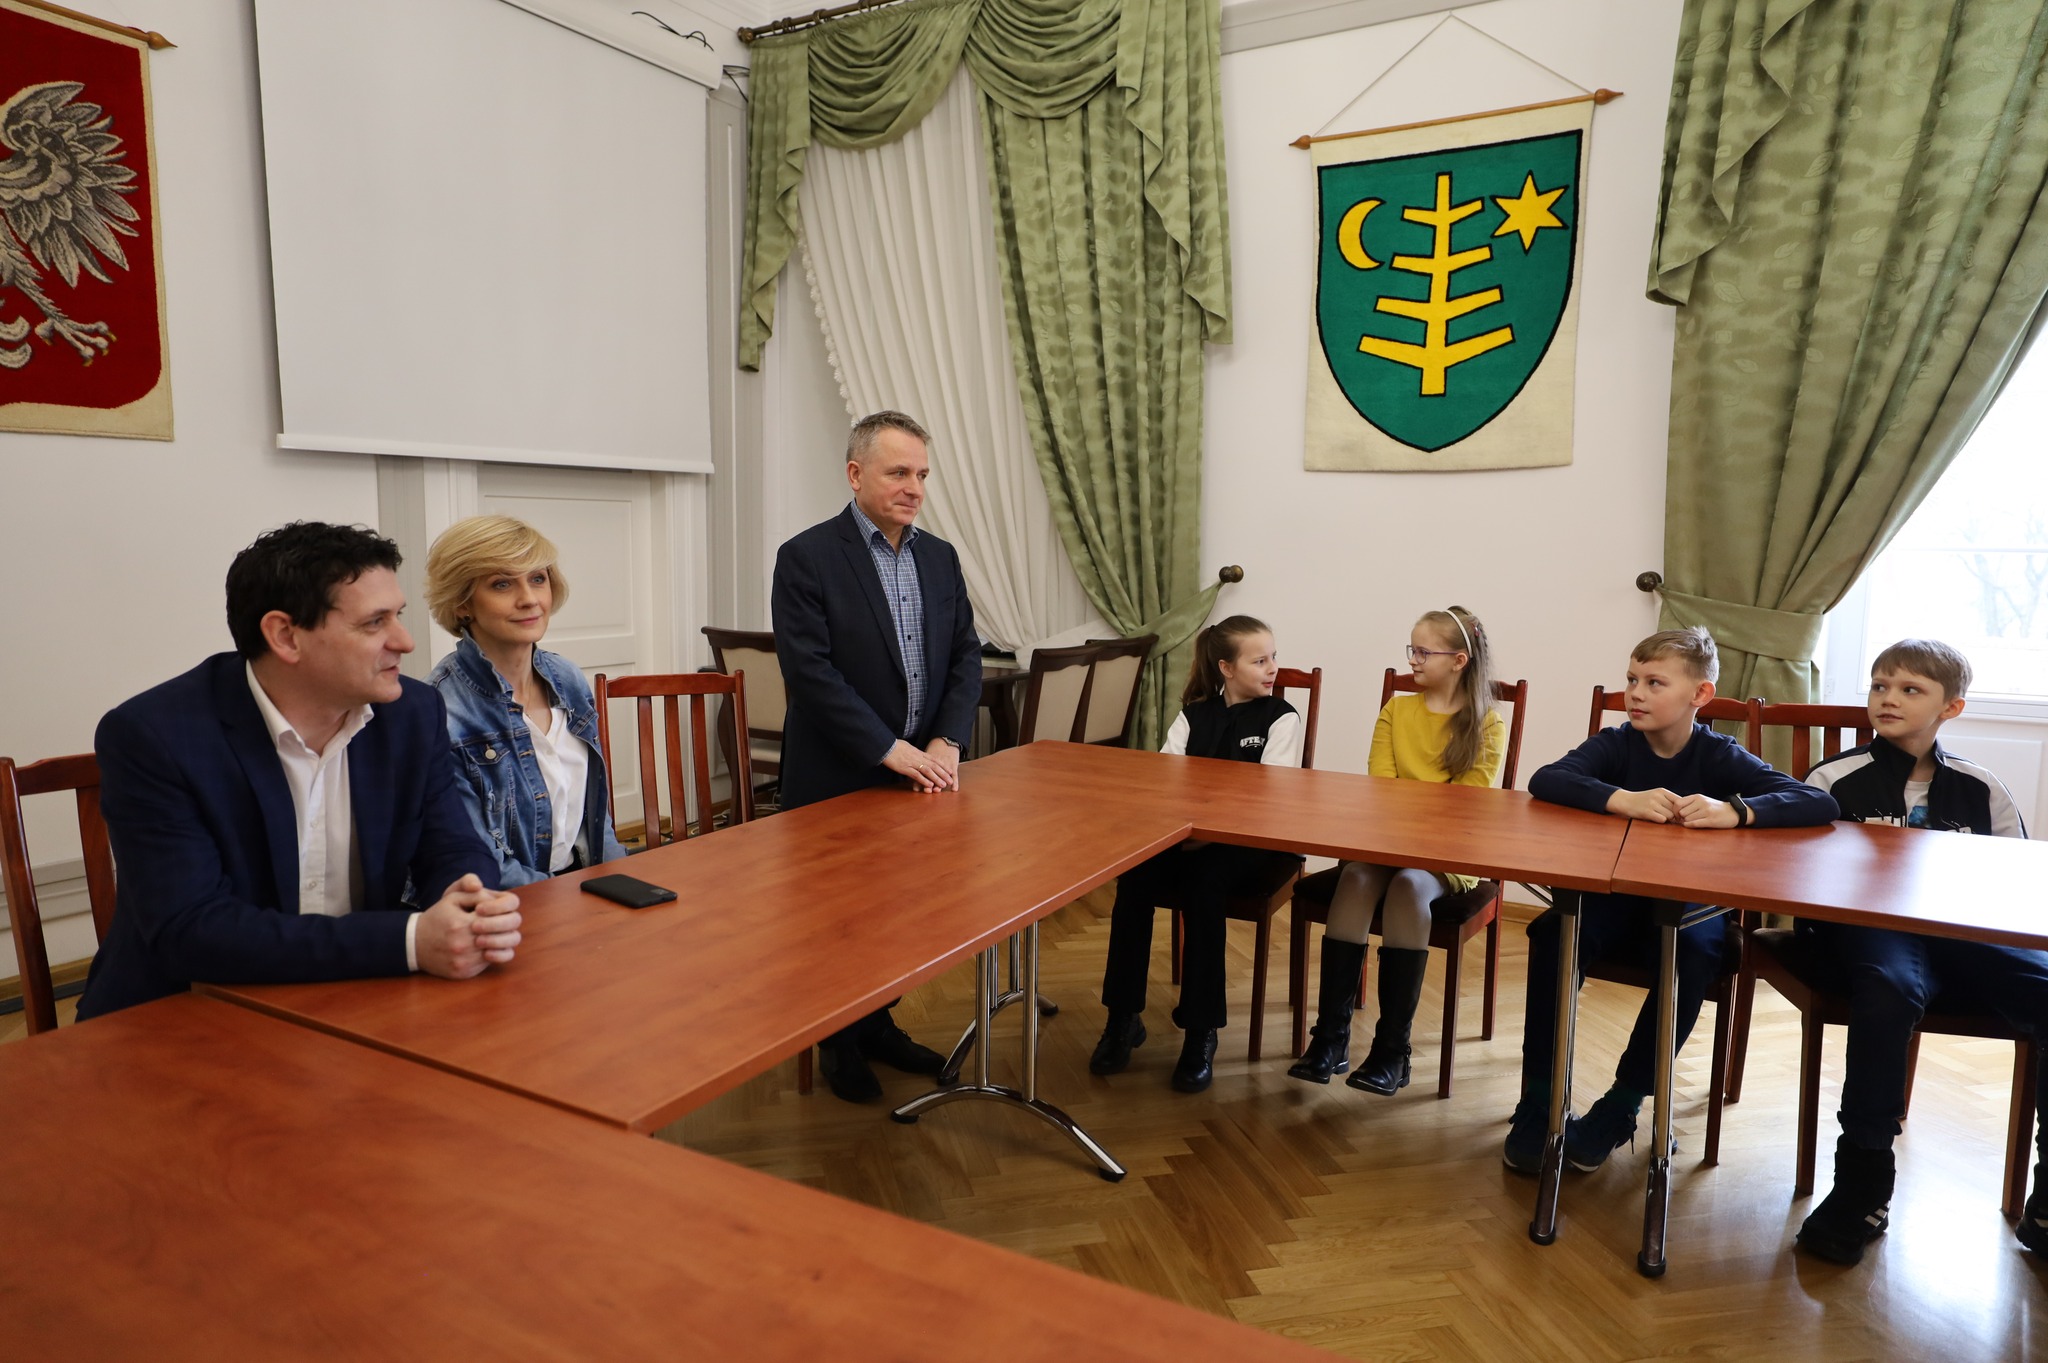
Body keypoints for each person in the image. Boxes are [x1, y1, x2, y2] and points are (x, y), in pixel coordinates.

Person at [77, 522, 522, 1021]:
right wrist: (411, 941)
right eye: (374, 623)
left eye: (397, 616)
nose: (405, 641)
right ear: (285, 636)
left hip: (358, 995)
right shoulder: (154, 735)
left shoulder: (413, 714)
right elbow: (193, 930)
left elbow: (451, 846)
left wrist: (468, 901)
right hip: (185, 1010)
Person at [1501, 627, 1838, 1172]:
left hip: (1689, 907)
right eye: (1632, 679)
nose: (1635, 693)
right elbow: (1548, 779)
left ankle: (1622, 1105)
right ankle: (1539, 1101)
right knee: (1555, 931)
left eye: (1654, 683)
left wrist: (1736, 811)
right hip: (1614, 897)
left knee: (1696, 951)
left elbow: (1816, 802)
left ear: (1699, 695)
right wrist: (1621, 799)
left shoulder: (1719, 755)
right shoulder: (1617, 743)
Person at [1792, 639, 2048, 1264]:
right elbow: (1801, 877)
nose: (1889, 698)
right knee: (1888, 990)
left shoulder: (1982, 787)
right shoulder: (1831, 780)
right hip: (1870, 934)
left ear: (1950, 707)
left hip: (1965, 933)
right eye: (1880, 685)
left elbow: (2014, 880)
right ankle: (1862, 1184)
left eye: (1910, 689)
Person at [771, 410, 983, 1103]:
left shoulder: (940, 557)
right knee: (837, 922)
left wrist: (948, 738)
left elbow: (965, 655)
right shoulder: (806, 556)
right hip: (837, 773)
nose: (914, 487)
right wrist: (888, 748)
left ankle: (878, 1023)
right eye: (898, 472)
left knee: (897, 915)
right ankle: (838, 1041)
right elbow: (810, 672)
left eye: (921, 474)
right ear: (855, 474)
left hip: (919, 775)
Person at [1289, 607, 1506, 1092]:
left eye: (1423, 651)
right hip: (1387, 839)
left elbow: (1464, 807)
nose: (1413, 659)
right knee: (1356, 876)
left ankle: (1392, 1051)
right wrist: (1404, 820)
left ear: (1459, 660)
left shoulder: (1487, 725)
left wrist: (1413, 818)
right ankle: (1330, 1039)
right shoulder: (1396, 710)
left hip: (1446, 853)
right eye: (1412, 649)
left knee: (1409, 885)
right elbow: (1381, 789)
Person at [1090, 615, 1304, 1094]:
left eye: (1273, 657)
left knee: (1205, 882)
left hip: (1252, 843)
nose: (1273, 668)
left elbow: (1266, 799)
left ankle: (1200, 1030)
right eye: (1260, 660)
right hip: (1189, 836)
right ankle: (1122, 1017)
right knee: (1135, 875)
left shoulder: (1281, 717)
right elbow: (1167, 785)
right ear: (1226, 668)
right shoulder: (1193, 716)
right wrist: (1184, 831)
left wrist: (1203, 835)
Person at [423, 515, 629, 887]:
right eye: (502, 584)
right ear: (462, 603)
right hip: (505, 901)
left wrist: (621, 881)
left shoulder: (567, 677)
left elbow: (596, 815)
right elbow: (479, 862)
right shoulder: (442, 708)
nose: (530, 599)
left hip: (579, 884)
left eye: (537, 579)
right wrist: (568, 903)